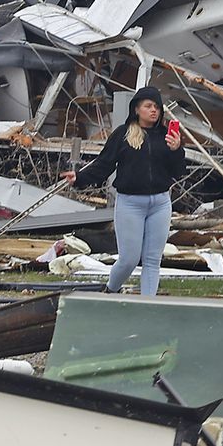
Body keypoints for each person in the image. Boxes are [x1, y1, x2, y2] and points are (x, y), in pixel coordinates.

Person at [61, 87, 184, 296]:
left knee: (153, 259)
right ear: (137, 109)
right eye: (148, 106)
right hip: (131, 203)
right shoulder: (123, 134)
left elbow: (178, 171)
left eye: (156, 107)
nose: (153, 110)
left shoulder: (167, 136)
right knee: (129, 259)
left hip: (160, 203)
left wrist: (177, 150)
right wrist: (80, 177)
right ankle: (111, 290)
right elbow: (104, 164)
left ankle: (148, 306)